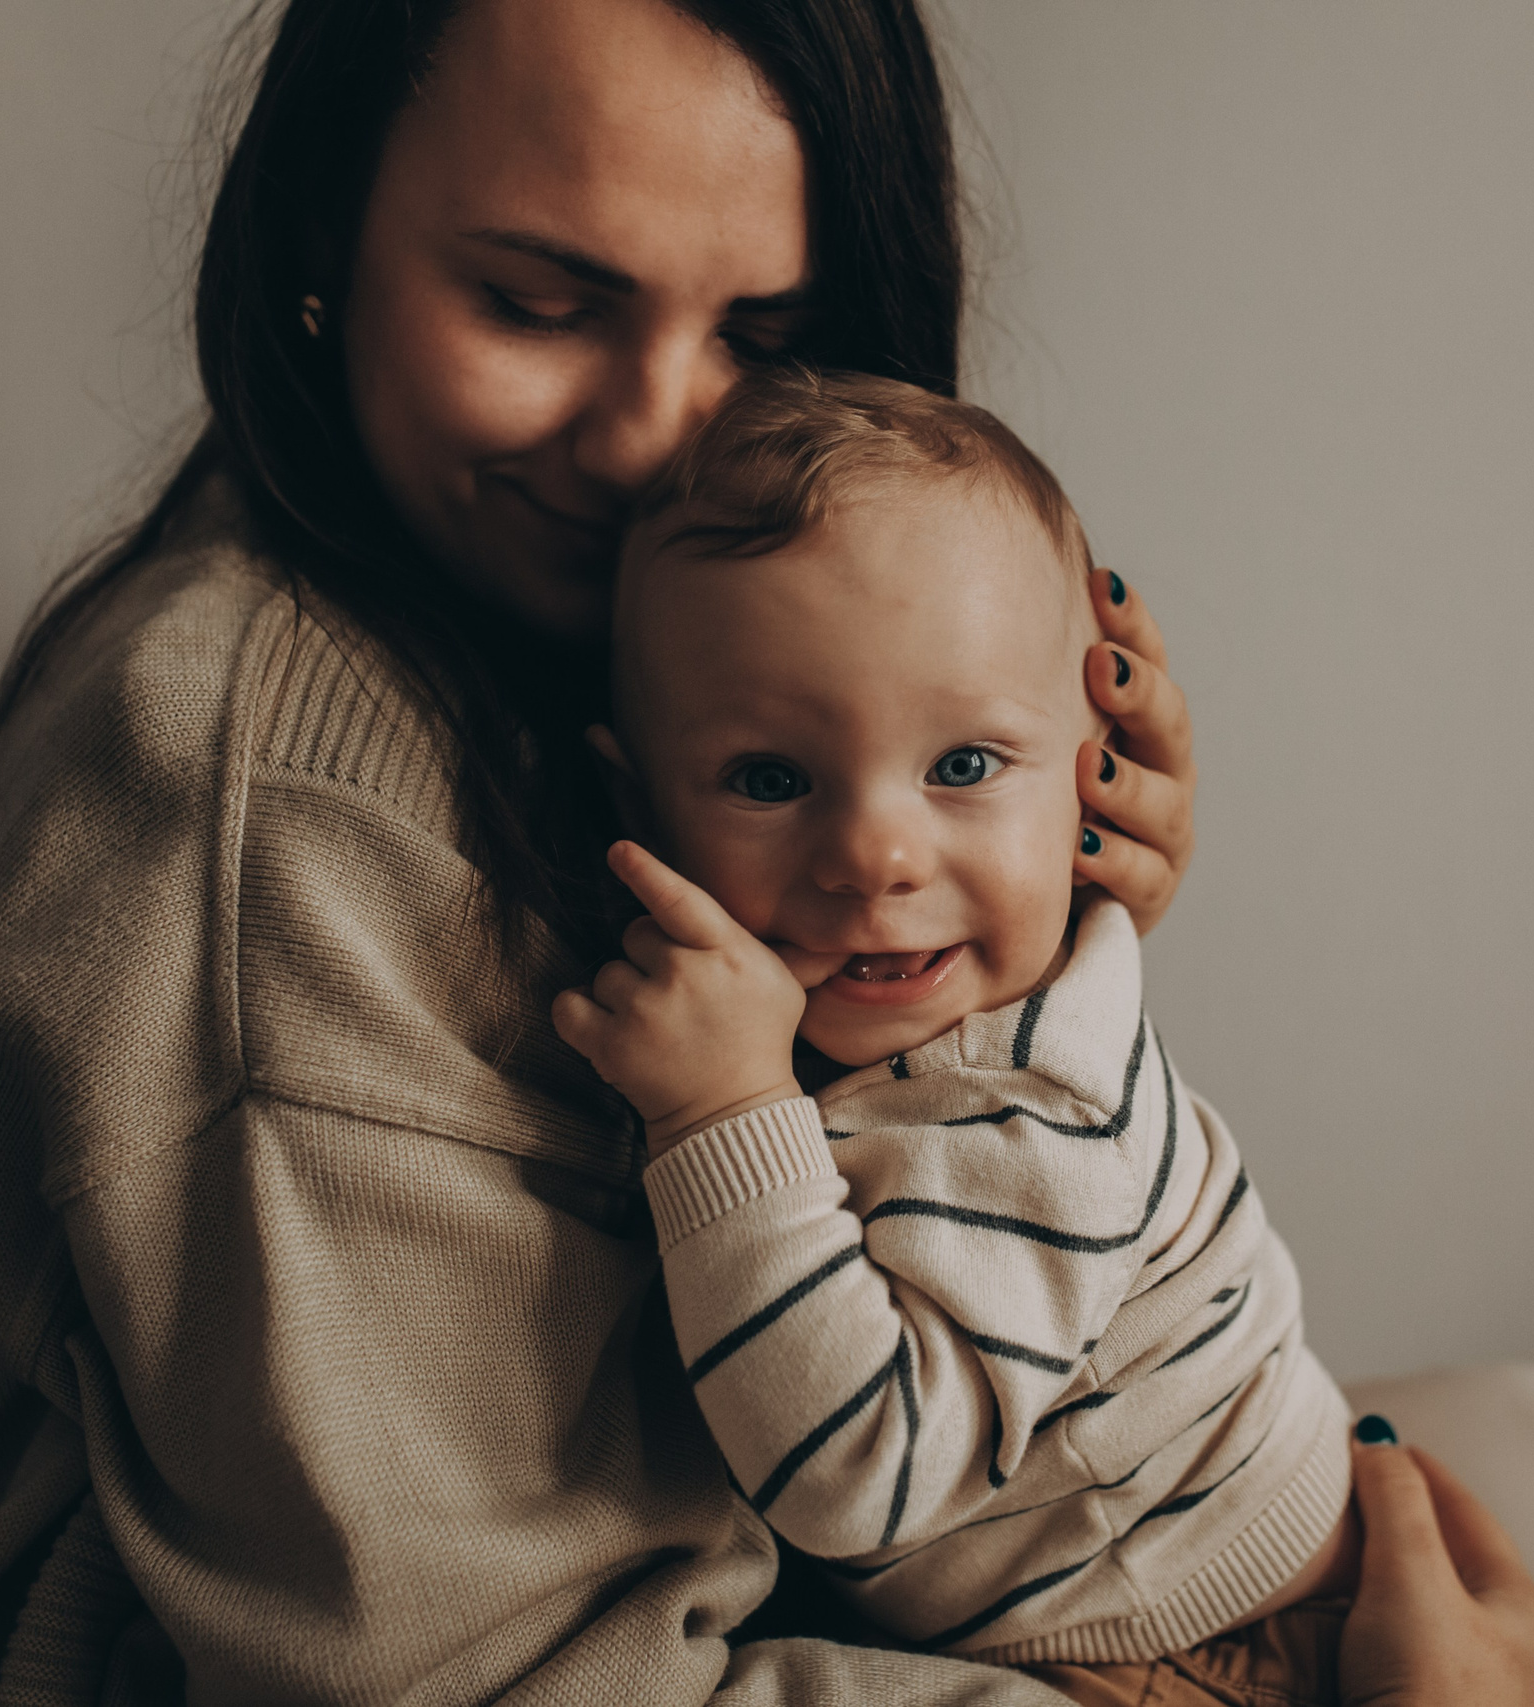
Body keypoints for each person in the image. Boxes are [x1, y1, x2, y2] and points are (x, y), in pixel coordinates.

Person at [0, 0, 1534, 1703]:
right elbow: (510, 1673)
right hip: (592, 1638)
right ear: (319, 257)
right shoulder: (260, 818)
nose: (666, 432)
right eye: (539, 300)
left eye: (761, 328)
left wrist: (1028, 945)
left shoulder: (548, 642)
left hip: (831, 1517)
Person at [556, 370, 1361, 1683]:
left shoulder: (1026, 1105)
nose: (876, 855)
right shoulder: (915, 1013)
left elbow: (863, 1477)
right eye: (771, 780)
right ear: (630, 802)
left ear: (1096, 762)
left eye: (966, 766)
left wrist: (718, 1116)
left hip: (1194, 1636)